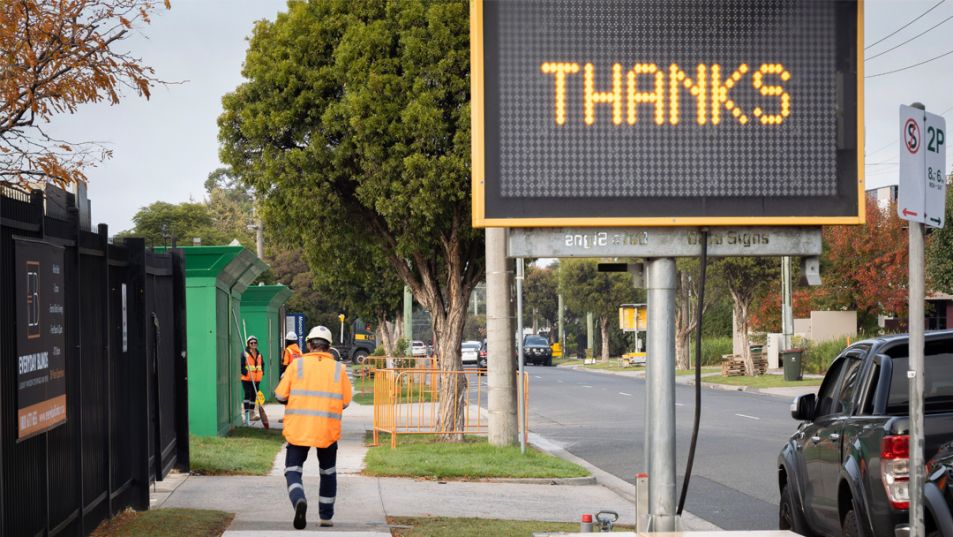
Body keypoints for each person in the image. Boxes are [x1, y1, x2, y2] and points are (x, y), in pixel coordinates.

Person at [274, 325, 352, 530]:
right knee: (328, 473)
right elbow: (345, 401)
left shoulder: (296, 366)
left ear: (309, 344)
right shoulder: (339, 369)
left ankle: (299, 499)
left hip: (299, 430)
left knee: (293, 470)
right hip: (327, 431)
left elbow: (280, 395)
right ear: (328, 347)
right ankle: (326, 517)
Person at [241, 335, 264, 425]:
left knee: (254, 396)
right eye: (251, 343)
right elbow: (241, 366)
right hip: (247, 379)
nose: (253, 344)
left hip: (256, 379)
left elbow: (262, 364)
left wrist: (262, 372)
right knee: (248, 395)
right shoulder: (244, 354)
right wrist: (246, 373)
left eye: (255, 343)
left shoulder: (259, 354)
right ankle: (246, 414)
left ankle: (252, 413)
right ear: (248, 344)